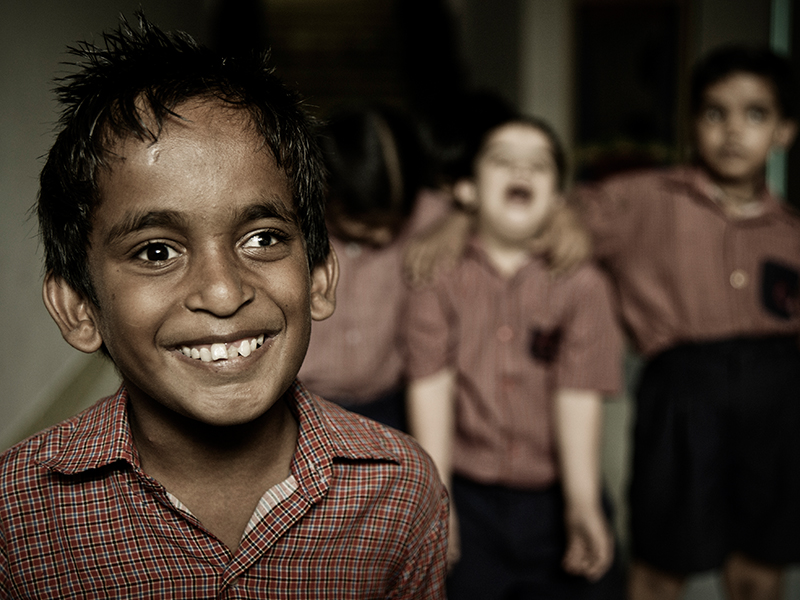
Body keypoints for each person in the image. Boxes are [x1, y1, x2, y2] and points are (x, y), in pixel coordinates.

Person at [0, 15, 448, 598]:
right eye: (157, 251)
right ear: (79, 308)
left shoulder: (400, 494)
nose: (222, 292)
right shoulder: (17, 518)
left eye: (262, 239)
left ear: (319, 277)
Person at [575, 46, 800, 600]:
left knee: (759, 567)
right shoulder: (643, 199)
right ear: (693, 123)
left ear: (784, 131)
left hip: (778, 406)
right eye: (714, 112)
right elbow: (546, 217)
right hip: (681, 398)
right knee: (659, 565)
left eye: (755, 114)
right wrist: (456, 229)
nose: (732, 131)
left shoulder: (792, 229)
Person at [404, 115, 624, 599]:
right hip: (468, 490)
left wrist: (582, 503)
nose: (521, 171)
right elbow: (432, 386)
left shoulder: (584, 285)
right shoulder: (436, 275)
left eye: (539, 165)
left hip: (558, 488)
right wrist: (440, 504)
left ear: (559, 200)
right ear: (467, 190)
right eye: (503, 161)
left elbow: (578, 393)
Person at [298, 105, 449, 431]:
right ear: (325, 192)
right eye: (367, 224)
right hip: (302, 404)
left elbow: (475, 212)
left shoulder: (429, 216)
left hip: (389, 405)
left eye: (397, 224)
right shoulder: (297, 221)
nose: (383, 236)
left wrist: (460, 224)